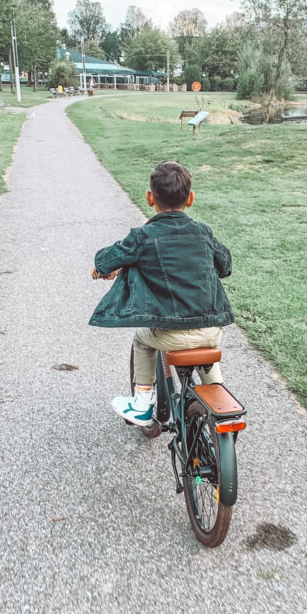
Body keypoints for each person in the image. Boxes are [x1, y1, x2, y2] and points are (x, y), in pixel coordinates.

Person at [89, 161, 234, 428]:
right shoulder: (203, 233)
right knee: (204, 346)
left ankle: (143, 403)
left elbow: (107, 258)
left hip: (169, 333)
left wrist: (102, 268)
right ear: (190, 199)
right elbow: (225, 266)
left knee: (142, 340)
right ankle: (218, 394)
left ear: (149, 197)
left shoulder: (143, 237)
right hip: (212, 329)